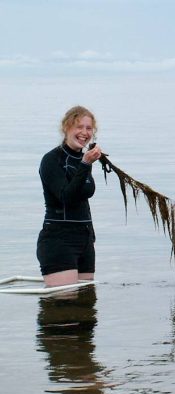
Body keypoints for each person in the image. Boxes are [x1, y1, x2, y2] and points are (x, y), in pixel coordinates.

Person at [36, 106, 103, 287]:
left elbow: (83, 200)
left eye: (89, 128)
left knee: (86, 307)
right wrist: (85, 164)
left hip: (85, 240)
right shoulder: (52, 160)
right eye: (79, 127)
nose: (84, 132)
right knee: (63, 307)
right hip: (59, 240)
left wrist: (91, 236)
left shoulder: (82, 160)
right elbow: (66, 196)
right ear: (66, 128)